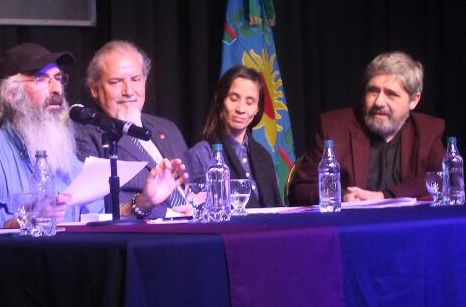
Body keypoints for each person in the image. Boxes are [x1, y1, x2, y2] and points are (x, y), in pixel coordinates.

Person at [0, 42, 185, 227]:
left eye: (59, 79)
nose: (57, 90)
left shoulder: (65, 158)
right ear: (12, 93)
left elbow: (98, 221)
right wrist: (25, 220)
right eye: (42, 79)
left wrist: (144, 201)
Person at [288, 50, 446, 205]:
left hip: (408, 226)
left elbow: (444, 178)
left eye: (391, 94)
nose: (379, 102)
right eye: (373, 91)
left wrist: (385, 196)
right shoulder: (333, 127)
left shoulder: (428, 130)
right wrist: (341, 196)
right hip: (350, 227)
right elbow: (302, 188)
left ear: (414, 100)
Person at [74, 40, 189, 217]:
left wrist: (197, 202)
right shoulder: (85, 136)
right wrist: (167, 212)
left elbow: (193, 184)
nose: (128, 91)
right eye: (116, 82)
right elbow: (96, 208)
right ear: (95, 89)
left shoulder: (167, 128)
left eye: (135, 79)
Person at [186, 65, 284, 208]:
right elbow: (197, 212)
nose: (241, 109)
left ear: (257, 109)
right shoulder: (201, 154)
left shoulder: (264, 157)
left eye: (250, 102)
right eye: (233, 99)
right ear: (220, 99)